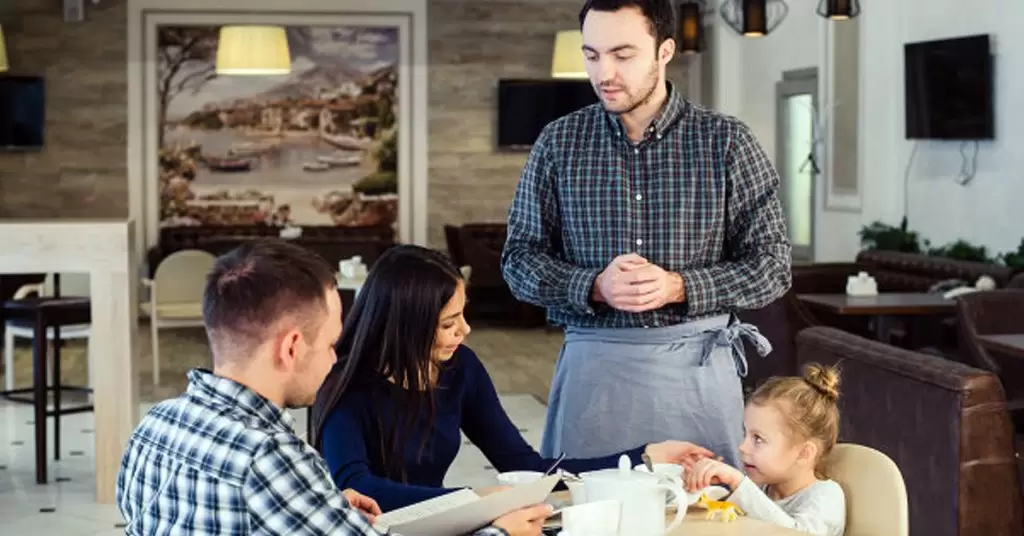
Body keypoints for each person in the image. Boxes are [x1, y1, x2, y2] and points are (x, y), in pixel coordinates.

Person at [500, 0, 791, 468]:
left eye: (623, 54)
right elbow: (518, 261)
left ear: (665, 51)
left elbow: (772, 267)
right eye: (591, 55)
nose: (604, 73)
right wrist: (594, 285)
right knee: (586, 514)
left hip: (697, 377)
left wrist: (680, 285)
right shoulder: (558, 143)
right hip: (593, 380)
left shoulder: (728, 142)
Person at [116, 239, 545, 536]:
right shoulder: (270, 458)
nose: (335, 360)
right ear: (291, 347)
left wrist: (327, 507)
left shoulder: (154, 426)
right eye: (330, 344)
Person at [312, 244, 715, 512]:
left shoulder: (460, 368)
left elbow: (524, 465)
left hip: (440, 523)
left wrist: (645, 458)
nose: (465, 331)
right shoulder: (344, 384)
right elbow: (357, 489)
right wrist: (479, 500)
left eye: (463, 315)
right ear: (407, 326)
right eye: (449, 323)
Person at [684, 364, 846, 535]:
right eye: (745, 433)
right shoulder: (765, 488)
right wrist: (705, 489)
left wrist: (739, 484)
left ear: (804, 453)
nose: (742, 447)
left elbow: (797, 533)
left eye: (758, 439)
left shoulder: (826, 496)